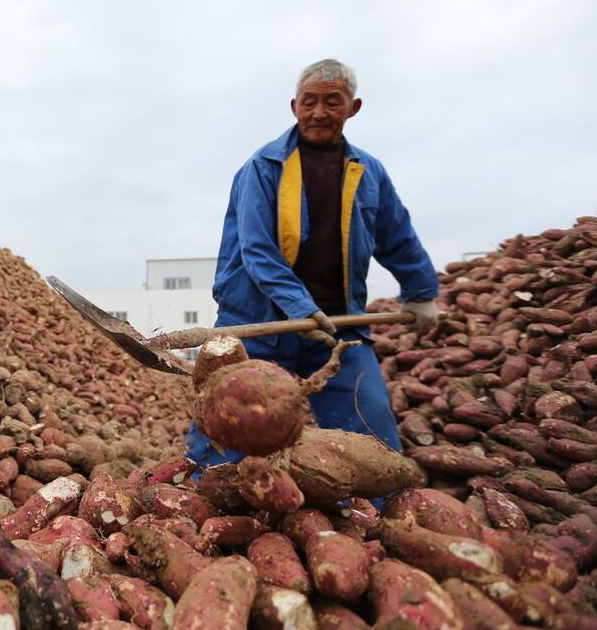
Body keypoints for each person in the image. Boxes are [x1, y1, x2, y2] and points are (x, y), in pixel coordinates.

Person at [186, 59, 439, 469]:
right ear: (294, 106)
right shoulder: (263, 168)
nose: (319, 112)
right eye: (310, 102)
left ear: (352, 108)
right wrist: (304, 309)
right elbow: (257, 252)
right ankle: (205, 501)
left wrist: (422, 292)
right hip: (261, 324)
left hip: (340, 325)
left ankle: (373, 515)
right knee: (230, 430)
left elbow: (398, 237)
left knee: (372, 430)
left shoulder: (369, 173)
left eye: (332, 102)